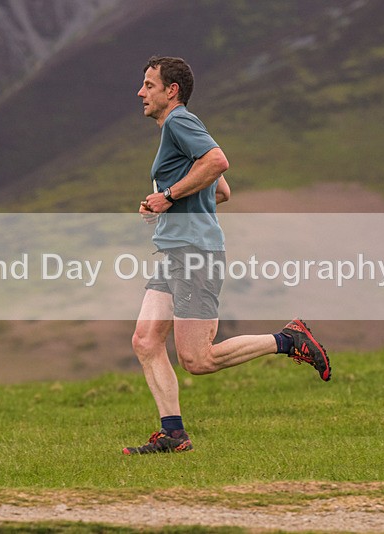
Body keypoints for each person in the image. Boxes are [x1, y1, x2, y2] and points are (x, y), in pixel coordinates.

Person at [123, 56, 330, 455]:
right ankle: (173, 434)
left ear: (172, 91)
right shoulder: (176, 131)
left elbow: (218, 162)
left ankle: (288, 340)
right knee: (146, 341)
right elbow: (222, 191)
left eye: (149, 85)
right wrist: (167, 204)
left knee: (198, 359)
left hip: (194, 253)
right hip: (176, 251)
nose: (140, 92)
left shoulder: (180, 121)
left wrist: (167, 196)